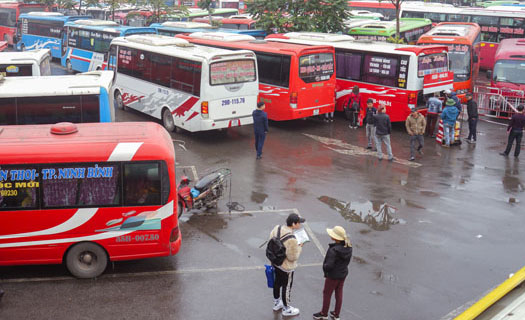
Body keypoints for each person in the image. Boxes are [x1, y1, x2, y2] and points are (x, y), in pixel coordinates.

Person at [313, 226, 352, 320]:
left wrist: (325, 268)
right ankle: (336, 314)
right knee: (339, 293)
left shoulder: (333, 250)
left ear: (335, 238)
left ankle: (324, 313)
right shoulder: (349, 247)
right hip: (343, 274)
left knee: (327, 293)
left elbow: (329, 266)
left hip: (333, 276)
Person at [269, 213, 305, 317]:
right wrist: (300, 246)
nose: (300, 225)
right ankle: (287, 308)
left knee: (277, 282)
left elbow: (271, 241)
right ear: (293, 224)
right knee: (286, 286)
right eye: (299, 223)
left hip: (276, 262)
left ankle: (277, 303)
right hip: (286, 267)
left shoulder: (277, 228)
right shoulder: (292, 239)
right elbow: (293, 257)